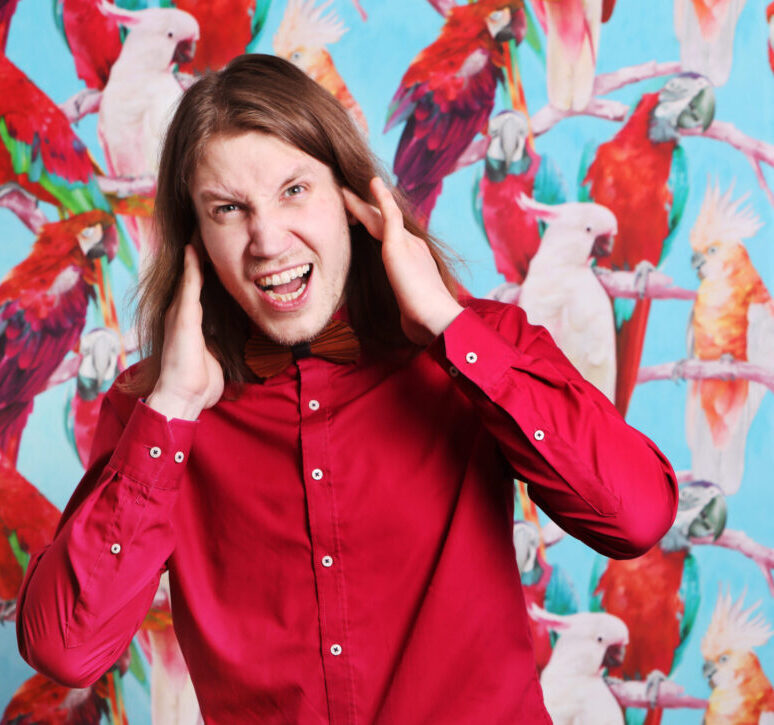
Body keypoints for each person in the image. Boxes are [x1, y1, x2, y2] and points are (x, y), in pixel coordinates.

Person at [16, 54, 678, 724]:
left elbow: (637, 517)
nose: (268, 239)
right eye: (229, 209)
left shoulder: (487, 345)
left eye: (294, 190)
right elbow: (66, 649)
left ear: (353, 200)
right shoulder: (155, 411)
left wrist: (451, 330)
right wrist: (174, 409)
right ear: (197, 241)